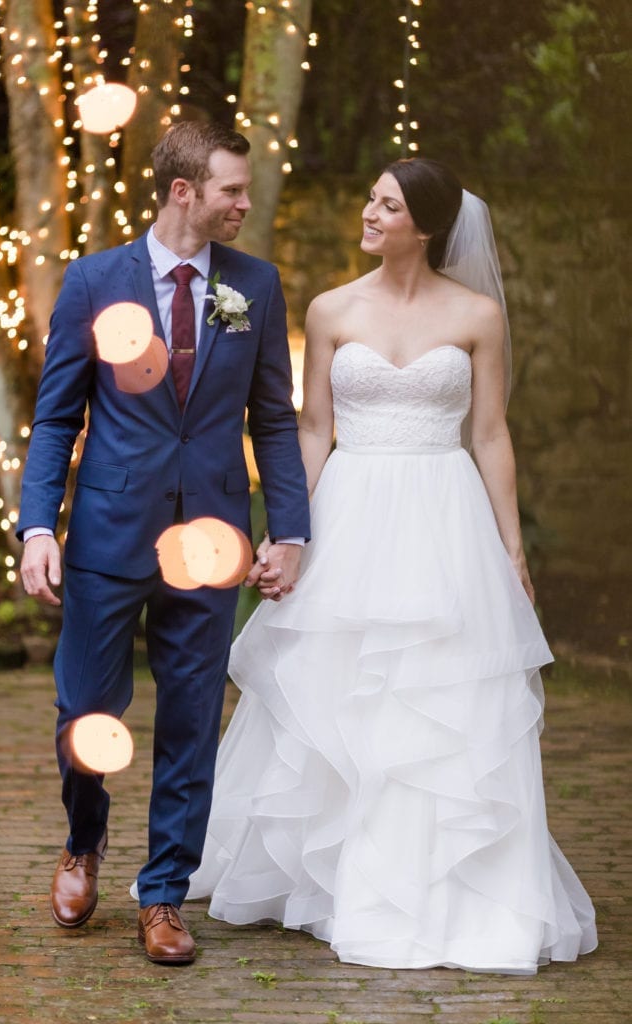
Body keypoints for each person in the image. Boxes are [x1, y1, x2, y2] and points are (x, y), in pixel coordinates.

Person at [186, 157, 598, 973]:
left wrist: (510, 547)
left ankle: (435, 882)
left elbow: (488, 434)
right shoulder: (332, 307)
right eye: (369, 197)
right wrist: (286, 533)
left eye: (387, 204)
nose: (368, 212)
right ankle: (328, 877)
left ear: (427, 225)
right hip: (350, 511)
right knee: (337, 687)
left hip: (445, 519)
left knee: (438, 697)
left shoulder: (477, 315)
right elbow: (310, 429)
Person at [17, 120, 310, 966]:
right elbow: (57, 417)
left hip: (213, 541)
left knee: (190, 719)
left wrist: (286, 531)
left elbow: (274, 419)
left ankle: (165, 895)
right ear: (184, 191)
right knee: (85, 714)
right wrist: (40, 525)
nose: (243, 204)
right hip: (107, 537)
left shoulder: (255, 284)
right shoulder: (92, 280)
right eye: (231, 190)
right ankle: (83, 842)